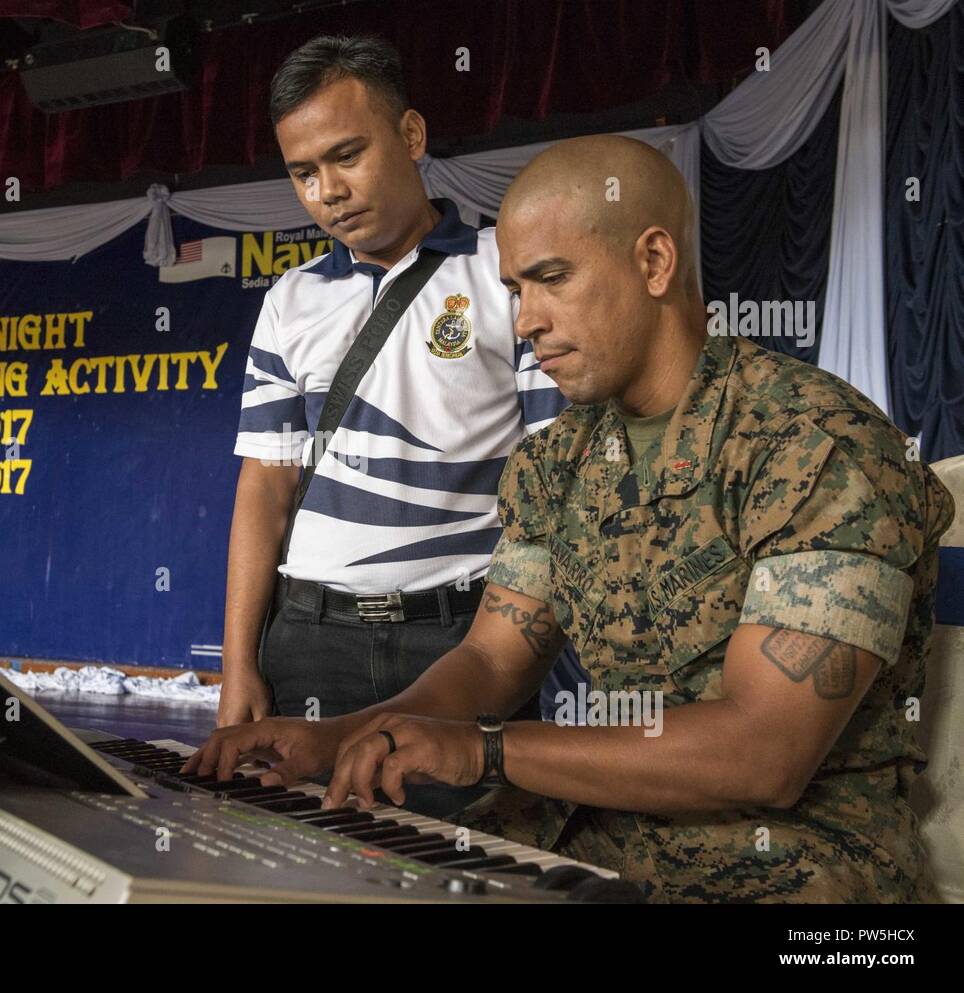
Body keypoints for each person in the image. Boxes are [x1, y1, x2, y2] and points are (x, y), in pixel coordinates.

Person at [187, 134, 955, 902]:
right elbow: (490, 663)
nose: (526, 321)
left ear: (654, 263)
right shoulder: (556, 463)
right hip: (586, 837)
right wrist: (337, 734)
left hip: (793, 866)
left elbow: (763, 752)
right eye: (516, 289)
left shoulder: (812, 443)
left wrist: (485, 750)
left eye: (552, 279)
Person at [221, 34, 572, 732]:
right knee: (299, 841)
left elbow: (554, 474)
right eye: (304, 172)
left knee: (466, 840)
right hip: (306, 640)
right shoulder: (288, 300)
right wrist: (238, 663)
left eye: (348, 155)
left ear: (411, 134)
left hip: (462, 640)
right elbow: (265, 485)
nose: (330, 192)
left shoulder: (504, 273)